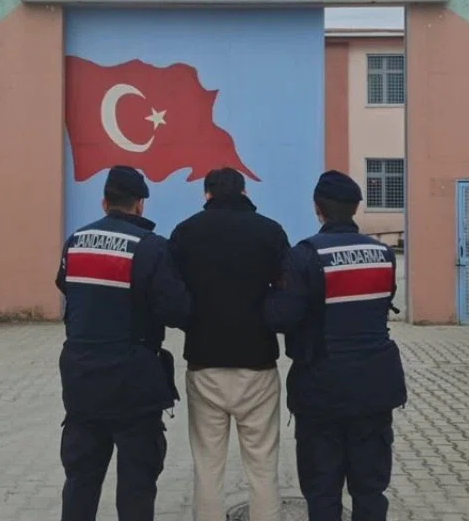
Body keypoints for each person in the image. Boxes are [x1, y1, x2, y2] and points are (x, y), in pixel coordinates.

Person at [263, 170, 407, 521]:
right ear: (356, 207)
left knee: (323, 490)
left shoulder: (304, 255)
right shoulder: (383, 254)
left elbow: (282, 317)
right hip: (375, 387)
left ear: (318, 208)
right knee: (370, 488)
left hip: (321, 389)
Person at [54, 165, 192, 521]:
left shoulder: (76, 241)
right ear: (140, 204)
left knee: (80, 482)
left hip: (81, 380)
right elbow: (176, 309)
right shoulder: (151, 248)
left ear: (104, 202)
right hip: (133, 384)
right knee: (136, 487)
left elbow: (66, 286)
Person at [168, 167, 290, 521]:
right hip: (258, 363)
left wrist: (193, 323)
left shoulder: (185, 232)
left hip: (204, 362)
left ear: (206, 195)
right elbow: (287, 292)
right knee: (263, 464)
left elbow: (172, 295)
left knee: (207, 464)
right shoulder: (270, 232)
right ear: (244, 192)